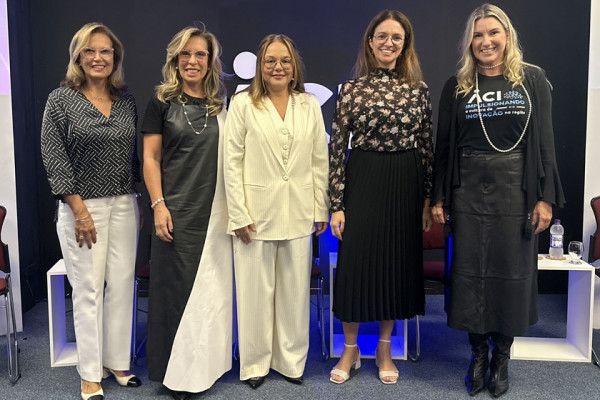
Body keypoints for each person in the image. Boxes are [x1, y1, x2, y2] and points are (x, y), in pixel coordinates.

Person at [431, 4, 565, 397]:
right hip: (467, 190)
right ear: (469, 42)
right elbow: (444, 148)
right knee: (470, 275)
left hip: (516, 189)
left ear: (507, 36)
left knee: (511, 274)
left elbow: (546, 143)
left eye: (493, 33)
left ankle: (502, 356)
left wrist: (545, 198)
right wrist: (438, 196)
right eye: (478, 35)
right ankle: (477, 354)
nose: (486, 41)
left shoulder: (532, 80)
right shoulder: (457, 85)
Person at [328, 9, 433, 385]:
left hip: (405, 182)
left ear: (405, 45)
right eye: (382, 36)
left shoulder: (419, 90)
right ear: (370, 42)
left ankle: (385, 348)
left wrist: (426, 199)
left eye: (396, 37)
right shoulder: (350, 90)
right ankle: (350, 350)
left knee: (395, 266)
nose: (389, 43)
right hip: (363, 179)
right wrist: (336, 204)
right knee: (355, 267)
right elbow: (336, 148)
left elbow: (426, 147)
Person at [41, 23, 141, 400]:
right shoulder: (60, 100)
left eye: (106, 51)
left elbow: (131, 157)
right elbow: (54, 156)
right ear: (78, 57)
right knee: (87, 290)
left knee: (122, 285)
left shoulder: (125, 100)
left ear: (115, 58)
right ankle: (89, 373)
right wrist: (79, 209)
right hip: (81, 206)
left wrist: (136, 198)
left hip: (124, 203)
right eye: (90, 51)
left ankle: (117, 361)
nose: (98, 58)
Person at [224, 33, 329, 389]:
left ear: (294, 66)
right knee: (254, 294)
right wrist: (238, 213)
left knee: (294, 294)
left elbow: (319, 160)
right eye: (270, 60)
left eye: (285, 60)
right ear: (260, 66)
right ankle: (255, 363)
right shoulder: (242, 103)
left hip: (299, 212)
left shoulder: (309, 104)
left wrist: (320, 208)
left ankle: (290, 361)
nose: (278, 67)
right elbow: (231, 162)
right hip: (254, 215)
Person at [141, 25, 232, 400]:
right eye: (186, 54)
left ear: (210, 62)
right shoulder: (160, 103)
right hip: (174, 212)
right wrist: (158, 205)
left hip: (214, 216)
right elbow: (150, 159)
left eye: (200, 54)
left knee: (211, 295)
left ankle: (206, 368)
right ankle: (175, 375)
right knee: (176, 294)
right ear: (175, 59)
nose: (192, 60)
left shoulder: (220, 106)